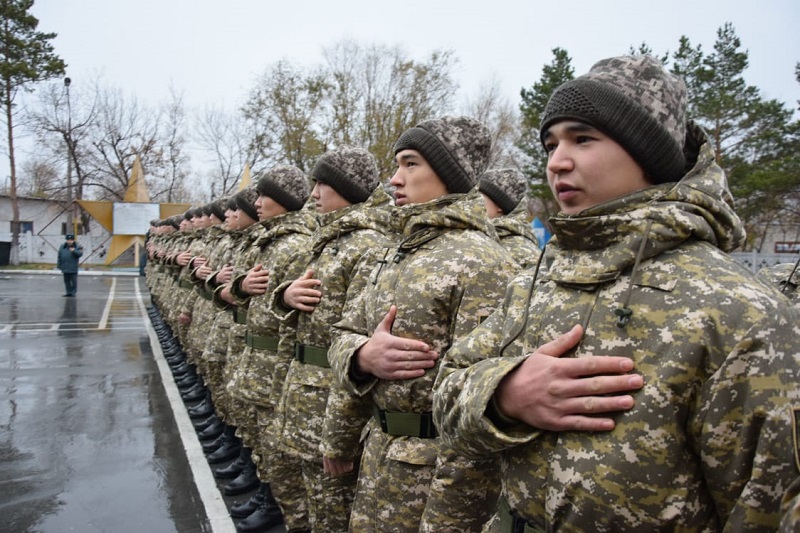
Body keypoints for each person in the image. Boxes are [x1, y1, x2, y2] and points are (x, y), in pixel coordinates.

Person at [433, 55, 800, 531]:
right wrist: (504, 395)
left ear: (647, 153)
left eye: (583, 138)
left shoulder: (739, 310)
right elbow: (447, 394)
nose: (556, 162)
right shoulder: (536, 282)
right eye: (550, 144)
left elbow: (769, 508)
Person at [327, 116, 518, 531]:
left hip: (433, 482)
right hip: (379, 459)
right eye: (397, 165)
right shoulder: (395, 253)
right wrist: (362, 357)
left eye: (410, 164)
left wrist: (449, 523)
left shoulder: (482, 261)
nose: (394, 179)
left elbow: (475, 411)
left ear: (448, 173)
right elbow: (342, 335)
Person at [270, 146, 391, 532]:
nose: (314, 193)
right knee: (316, 507)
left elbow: (355, 345)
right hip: (308, 398)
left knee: (334, 514)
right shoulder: (331, 242)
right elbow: (299, 328)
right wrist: (285, 296)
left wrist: (340, 436)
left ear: (347, 188)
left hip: (331, 406)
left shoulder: (367, 247)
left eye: (322, 183)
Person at [478, 168, 541, 269]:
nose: (473, 201)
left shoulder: (523, 252)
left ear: (500, 205)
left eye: (479, 197)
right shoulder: (482, 236)